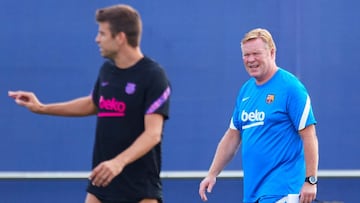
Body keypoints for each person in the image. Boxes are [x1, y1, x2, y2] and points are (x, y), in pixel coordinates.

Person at [8, 4, 171, 203]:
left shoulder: (153, 76)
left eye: (102, 33)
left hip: (140, 189)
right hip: (101, 184)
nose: (97, 39)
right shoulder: (107, 71)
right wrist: (41, 108)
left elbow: (153, 134)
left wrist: (118, 163)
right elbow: (93, 103)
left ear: (120, 37)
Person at [198, 28, 318, 203]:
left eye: (256, 53)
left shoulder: (291, 87)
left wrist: (310, 180)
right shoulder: (246, 90)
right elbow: (233, 135)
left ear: (272, 52)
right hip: (253, 194)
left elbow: (309, 135)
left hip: (283, 192)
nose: (251, 59)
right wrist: (212, 174)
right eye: (246, 55)